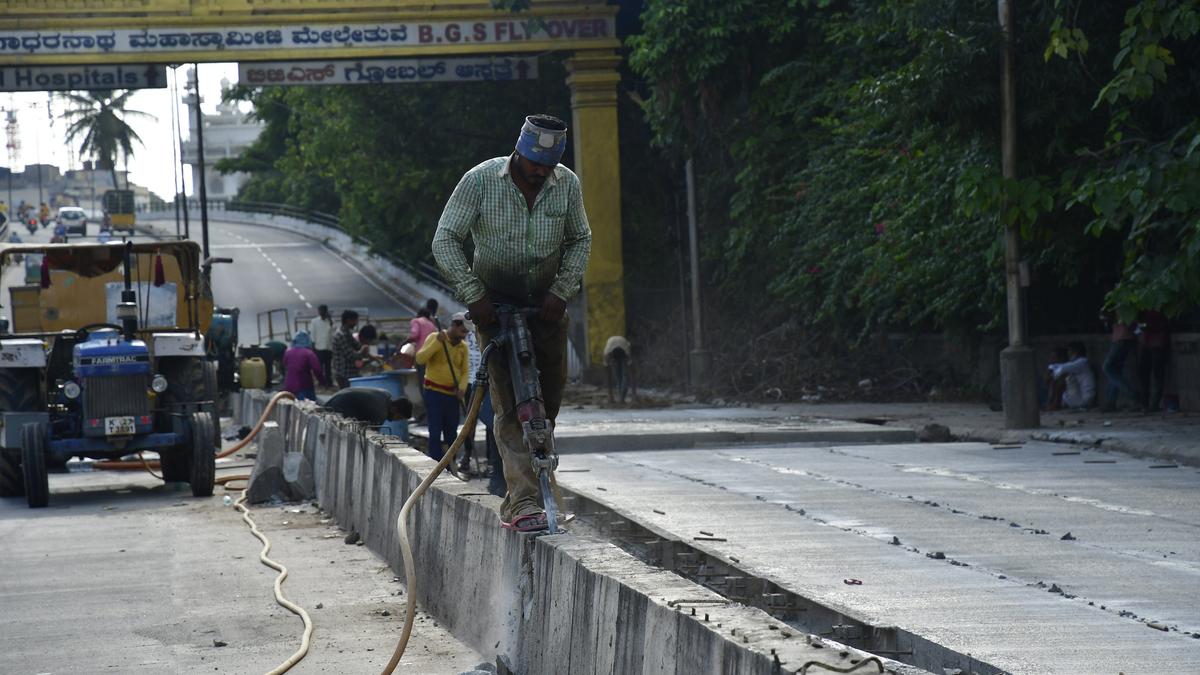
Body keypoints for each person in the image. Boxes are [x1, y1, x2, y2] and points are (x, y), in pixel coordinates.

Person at [432, 113, 591, 532]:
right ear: (517, 153)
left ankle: (545, 492)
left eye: (548, 165)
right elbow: (445, 238)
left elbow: (580, 239)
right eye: (534, 163)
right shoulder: (481, 180)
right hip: (494, 307)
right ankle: (521, 502)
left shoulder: (566, 185)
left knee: (544, 406)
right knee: (509, 406)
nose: (540, 172)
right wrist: (474, 296)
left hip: (547, 306)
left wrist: (561, 291)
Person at [415, 312, 470, 462]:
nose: (464, 335)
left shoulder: (463, 347)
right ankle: (436, 463)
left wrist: (462, 388)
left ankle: (450, 464)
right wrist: (437, 343)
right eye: (463, 331)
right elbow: (420, 359)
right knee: (435, 431)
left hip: (452, 396)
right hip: (434, 393)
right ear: (454, 325)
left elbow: (465, 371)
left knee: (451, 433)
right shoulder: (435, 338)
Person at [1101, 312, 1138, 412]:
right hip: (1123, 337)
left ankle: (1132, 393)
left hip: (1121, 338)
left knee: (1107, 367)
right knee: (1115, 371)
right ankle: (1110, 402)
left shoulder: (1123, 304)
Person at [324, 387, 412, 427]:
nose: (395, 420)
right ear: (394, 409)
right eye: (399, 417)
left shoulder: (386, 394)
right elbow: (373, 436)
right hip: (337, 407)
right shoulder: (380, 413)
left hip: (338, 397)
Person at [1047, 341, 1096, 410]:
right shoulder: (1078, 362)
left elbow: (1062, 369)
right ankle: (1053, 403)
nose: (1068, 353)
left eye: (1069, 351)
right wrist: (1051, 368)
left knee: (1064, 378)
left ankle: (1054, 405)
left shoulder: (1082, 362)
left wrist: (1052, 373)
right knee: (1062, 378)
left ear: (1075, 351)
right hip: (1079, 396)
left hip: (1085, 399)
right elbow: (1059, 367)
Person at [1137, 310, 1170, 412]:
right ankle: (1148, 404)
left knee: (1154, 375)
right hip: (1151, 342)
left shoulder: (1151, 308)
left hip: (1154, 342)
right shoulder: (1146, 308)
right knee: (1150, 375)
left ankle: (1150, 404)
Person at [331, 309, 369, 389]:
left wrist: (371, 355)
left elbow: (357, 345)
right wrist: (362, 351)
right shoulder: (340, 335)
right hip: (344, 373)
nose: (356, 323)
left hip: (350, 372)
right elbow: (350, 355)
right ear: (348, 320)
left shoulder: (347, 333)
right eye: (355, 320)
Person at [282, 331, 324, 401]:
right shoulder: (309, 353)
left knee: (290, 408)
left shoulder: (288, 352)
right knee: (306, 408)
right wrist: (322, 381)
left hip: (288, 385)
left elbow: (285, 364)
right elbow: (317, 369)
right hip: (304, 386)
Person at [308, 305, 334, 388]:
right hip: (319, 347)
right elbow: (312, 334)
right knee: (319, 366)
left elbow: (333, 331)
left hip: (329, 347)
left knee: (328, 366)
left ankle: (329, 382)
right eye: (320, 311)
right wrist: (313, 346)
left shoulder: (331, 321)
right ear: (318, 311)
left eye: (324, 311)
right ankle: (321, 381)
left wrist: (330, 321)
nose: (322, 312)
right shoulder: (314, 321)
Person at [603, 335, 633, 405]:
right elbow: (608, 376)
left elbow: (632, 373)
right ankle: (620, 397)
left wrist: (634, 396)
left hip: (623, 345)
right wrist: (610, 396)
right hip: (612, 345)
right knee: (617, 376)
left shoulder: (627, 352)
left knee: (625, 376)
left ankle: (622, 398)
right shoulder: (607, 354)